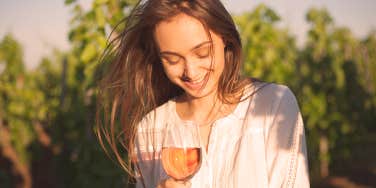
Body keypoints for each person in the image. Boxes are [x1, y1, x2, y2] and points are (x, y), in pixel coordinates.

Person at [96, 0, 310, 187]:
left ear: (225, 39)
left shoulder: (272, 107)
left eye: (202, 53)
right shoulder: (151, 128)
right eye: (172, 59)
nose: (191, 71)